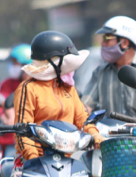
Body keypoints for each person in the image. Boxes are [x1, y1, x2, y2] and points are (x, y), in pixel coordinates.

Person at [13, 32, 100, 161]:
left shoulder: (69, 87)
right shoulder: (28, 88)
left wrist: (95, 135)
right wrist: (33, 158)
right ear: (52, 61)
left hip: (66, 159)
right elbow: (22, 130)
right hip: (33, 160)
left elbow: (82, 118)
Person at [81, 16, 136, 117]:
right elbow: (86, 106)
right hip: (108, 132)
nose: (102, 43)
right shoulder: (100, 72)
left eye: (107, 38)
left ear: (124, 43)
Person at [0, 44, 33, 126]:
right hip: (9, 134)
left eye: (14, 62)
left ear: (25, 65)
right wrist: (2, 117)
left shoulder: (37, 85)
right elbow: (0, 104)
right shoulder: (6, 84)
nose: (12, 66)